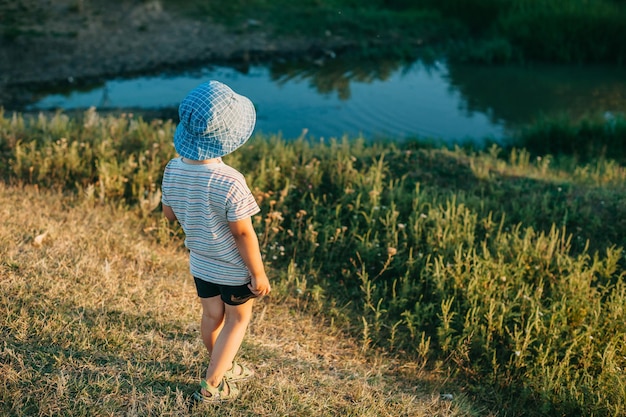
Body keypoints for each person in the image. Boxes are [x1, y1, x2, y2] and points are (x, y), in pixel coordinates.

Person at [161, 80, 271, 403]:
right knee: (238, 320)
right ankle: (212, 384)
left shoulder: (172, 169)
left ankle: (222, 365)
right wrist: (258, 273)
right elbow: (243, 233)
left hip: (200, 261)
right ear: (229, 138)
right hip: (233, 269)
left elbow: (169, 215)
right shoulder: (230, 180)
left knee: (212, 317)